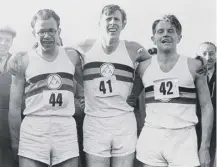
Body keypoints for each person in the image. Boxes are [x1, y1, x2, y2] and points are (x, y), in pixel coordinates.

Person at [130, 14, 213, 167]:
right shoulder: (142, 68)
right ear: (153, 38)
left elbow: (206, 107)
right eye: (160, 31)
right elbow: (128, 99)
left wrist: (205, 147)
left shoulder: (194, 66)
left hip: (184, 139)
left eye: (171, 31)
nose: (166, 34)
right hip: (152, 137)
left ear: (179, 37)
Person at [76, 4, 151, 167]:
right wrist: (81, 91)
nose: (112, 22)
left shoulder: (133, 48)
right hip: (95, 120)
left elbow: (151, 63)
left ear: (123, 24)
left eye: (117, 19)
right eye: (108, 19)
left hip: (123, 120)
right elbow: (62, 57)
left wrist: (136, 90)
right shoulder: (85, 46)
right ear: (99, 23)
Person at [7, 9, 83, 167]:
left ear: (59, 31)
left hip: (65, 129)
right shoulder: (22, 62)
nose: (47, 36)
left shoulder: (72, 56)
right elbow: (14, 107)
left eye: (51, 31)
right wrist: (15, 143)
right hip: (34, 129)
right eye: (41, 31)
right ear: (34, 33)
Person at [0, 25, 18, 167]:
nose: (3, 43)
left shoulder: (16, 63)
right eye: (0, 39)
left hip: (7, 123)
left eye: (7, 40)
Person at [196, 42, 216, 167]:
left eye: (211, 53)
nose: (208, 58)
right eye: (204, 54)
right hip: (195, 127)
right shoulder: (193, 74)